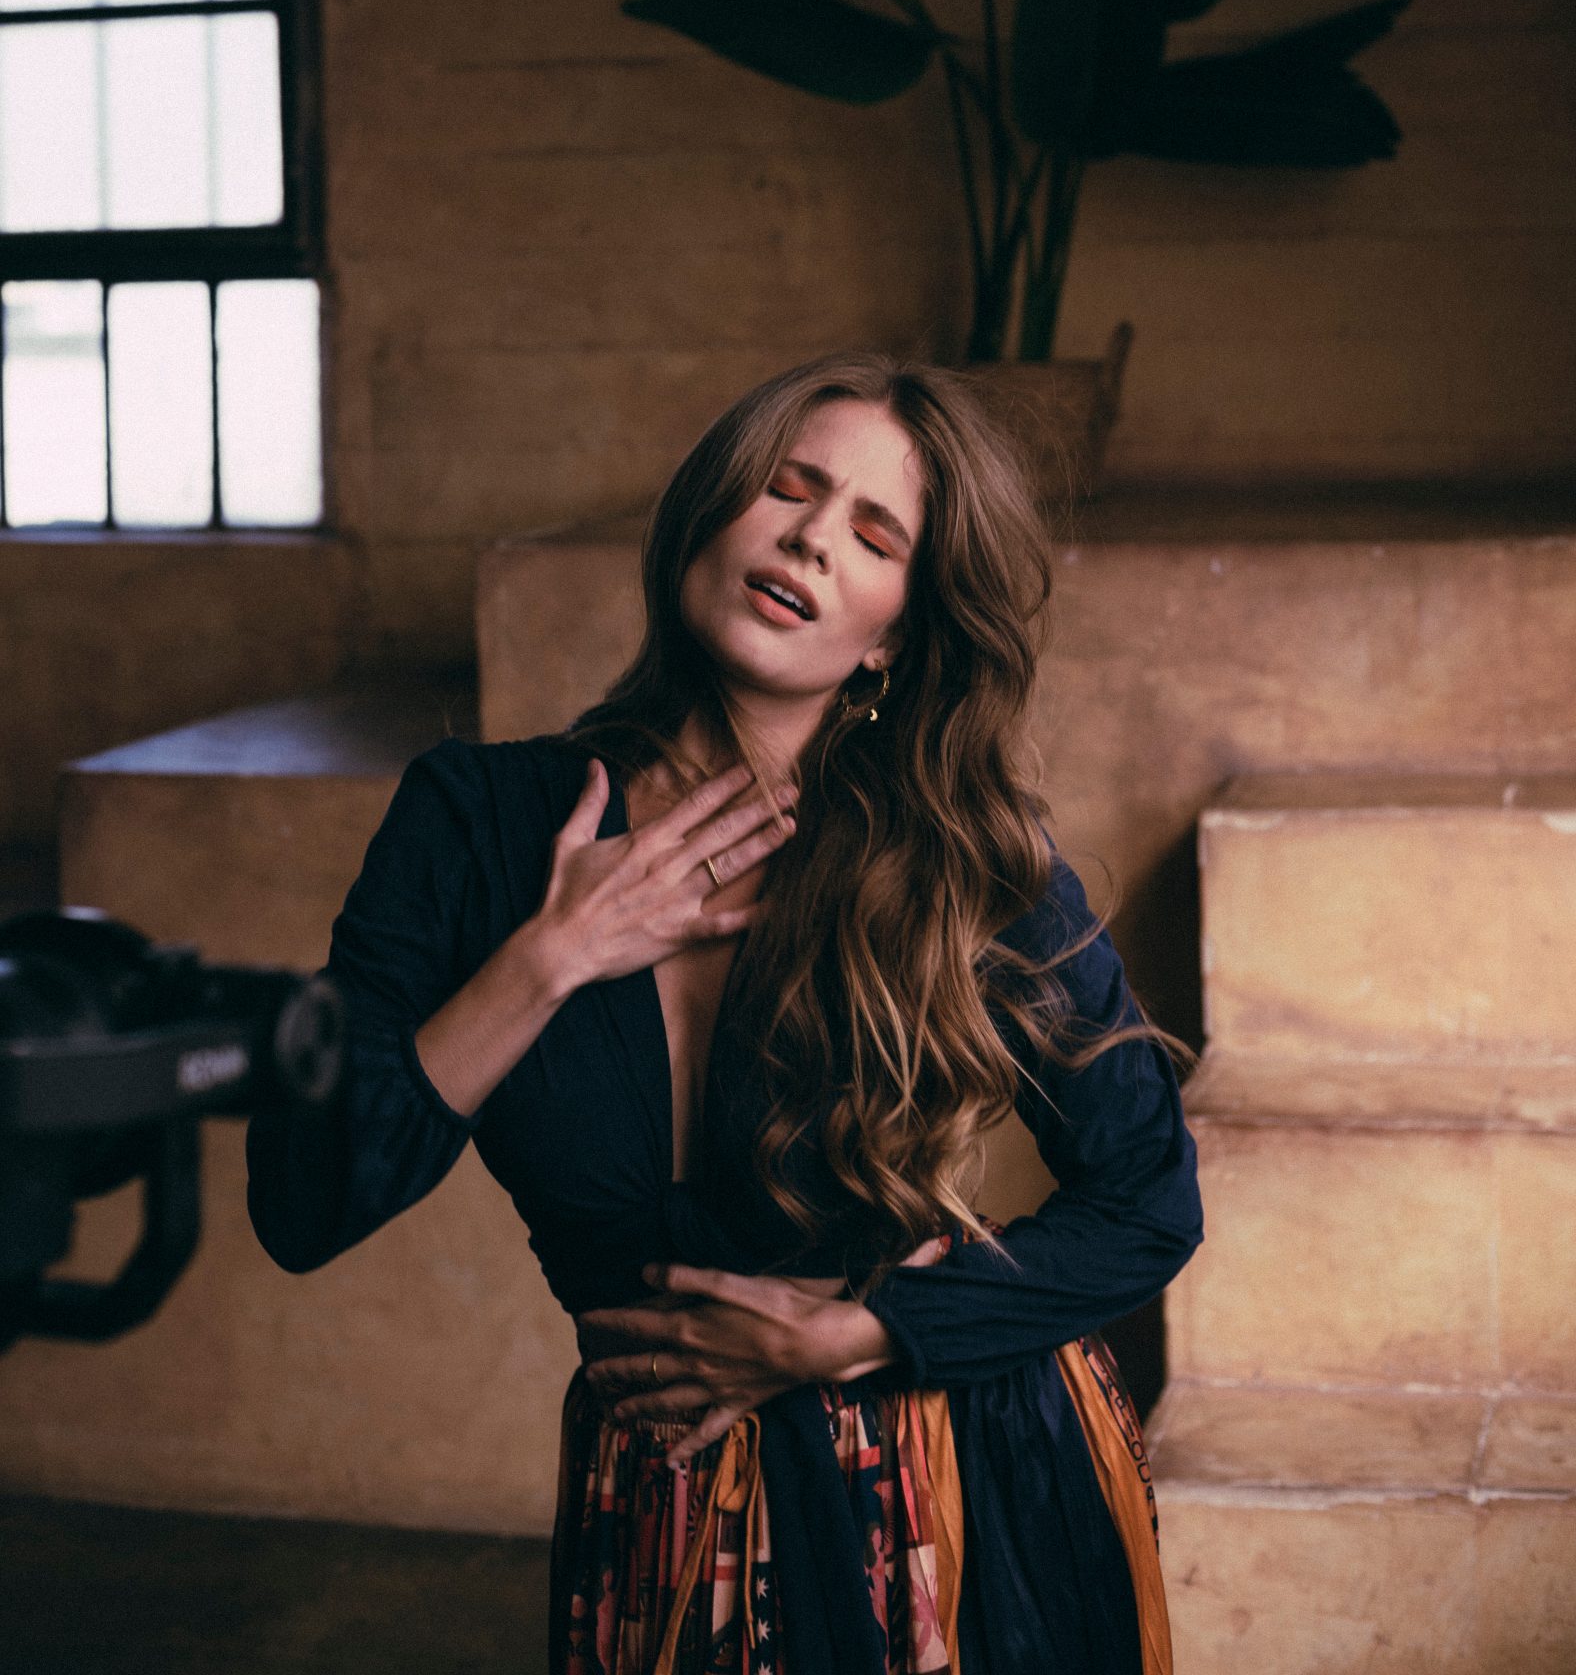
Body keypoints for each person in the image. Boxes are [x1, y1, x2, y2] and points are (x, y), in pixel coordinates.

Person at [245, 351, 1203, 1675]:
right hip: (657, 1511)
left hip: (953, 1487)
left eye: (874, 535)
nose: (811, 538)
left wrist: (856, 1332)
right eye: (789, 489)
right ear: (710, 510)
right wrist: (553, 957)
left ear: (893, 635)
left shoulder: (958, 859)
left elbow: (1151, 1202)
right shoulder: (472, 823)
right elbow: (302, 1206)